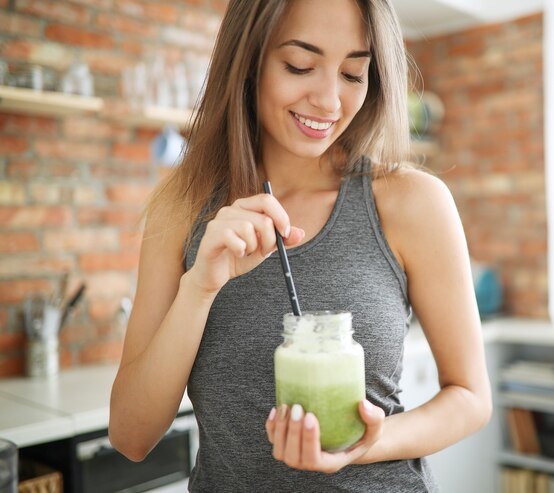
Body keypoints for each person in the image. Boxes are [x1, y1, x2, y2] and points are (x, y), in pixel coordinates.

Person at [109, 0, 492, 491]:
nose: (330, 101)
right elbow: (130, 435)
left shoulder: (412, 203)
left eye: (353, 74)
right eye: (300, 66)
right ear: (248, 62)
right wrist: (199, 288)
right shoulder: (182, 207)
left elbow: (470, 397)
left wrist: (367, 443)